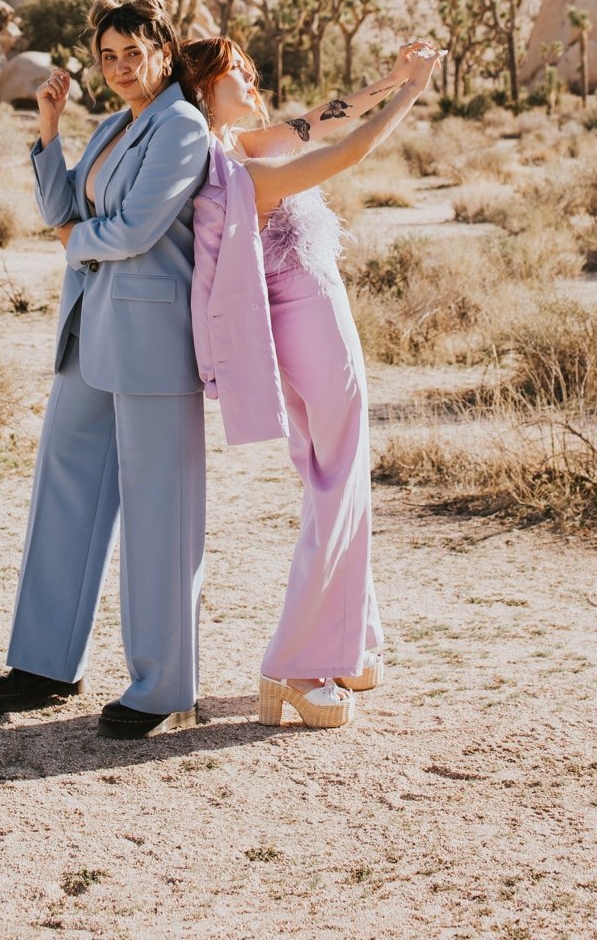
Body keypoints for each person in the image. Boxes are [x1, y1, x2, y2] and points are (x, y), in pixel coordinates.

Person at [0, 0, 211, 739]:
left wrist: (78, 239)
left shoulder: (182, 127)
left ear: (164, 53)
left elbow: (135, 228)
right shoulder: (113, 124)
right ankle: (45, 663)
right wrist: (49, 130)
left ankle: (162, 684)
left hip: (151, 347)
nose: (118, 67)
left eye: (133, 54)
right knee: (63, 492)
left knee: (158, 518)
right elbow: (61, 211)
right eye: (107, 56)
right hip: (89, 335)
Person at [187, 36, 440, 729]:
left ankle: (349, 642)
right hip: (310, 319)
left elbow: (317, 122)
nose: (248, 75)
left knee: (337, 473)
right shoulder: (229, 168)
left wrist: (386, 79)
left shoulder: (235, 143)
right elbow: (345, 152)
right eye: (231, 71)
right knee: (335, 478)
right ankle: (293, 668)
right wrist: (413, 94)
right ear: (202, 90)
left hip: (307, 317)